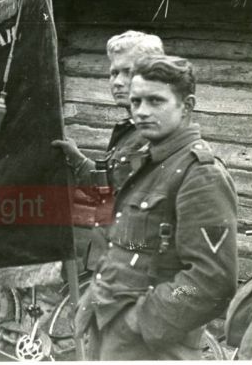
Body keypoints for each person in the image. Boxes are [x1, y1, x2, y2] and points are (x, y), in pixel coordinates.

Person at [75, 55, 238, 360]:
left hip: (152, 346)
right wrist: (95, 297)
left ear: (186, 106)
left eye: (155, 101)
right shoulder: (147, 163)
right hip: (109, 327)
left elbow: (211, 280)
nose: (141, 111)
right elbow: (123, 243)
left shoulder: (200, 174)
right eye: (136, 101)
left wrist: (139, 321)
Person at [52, 31, 164, 270]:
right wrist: (77, 158)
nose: (118, 81)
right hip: (109, 260)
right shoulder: (130, 130)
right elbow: (111, 187)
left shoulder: (156, 135)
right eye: (114, 73)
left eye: (128, 72)